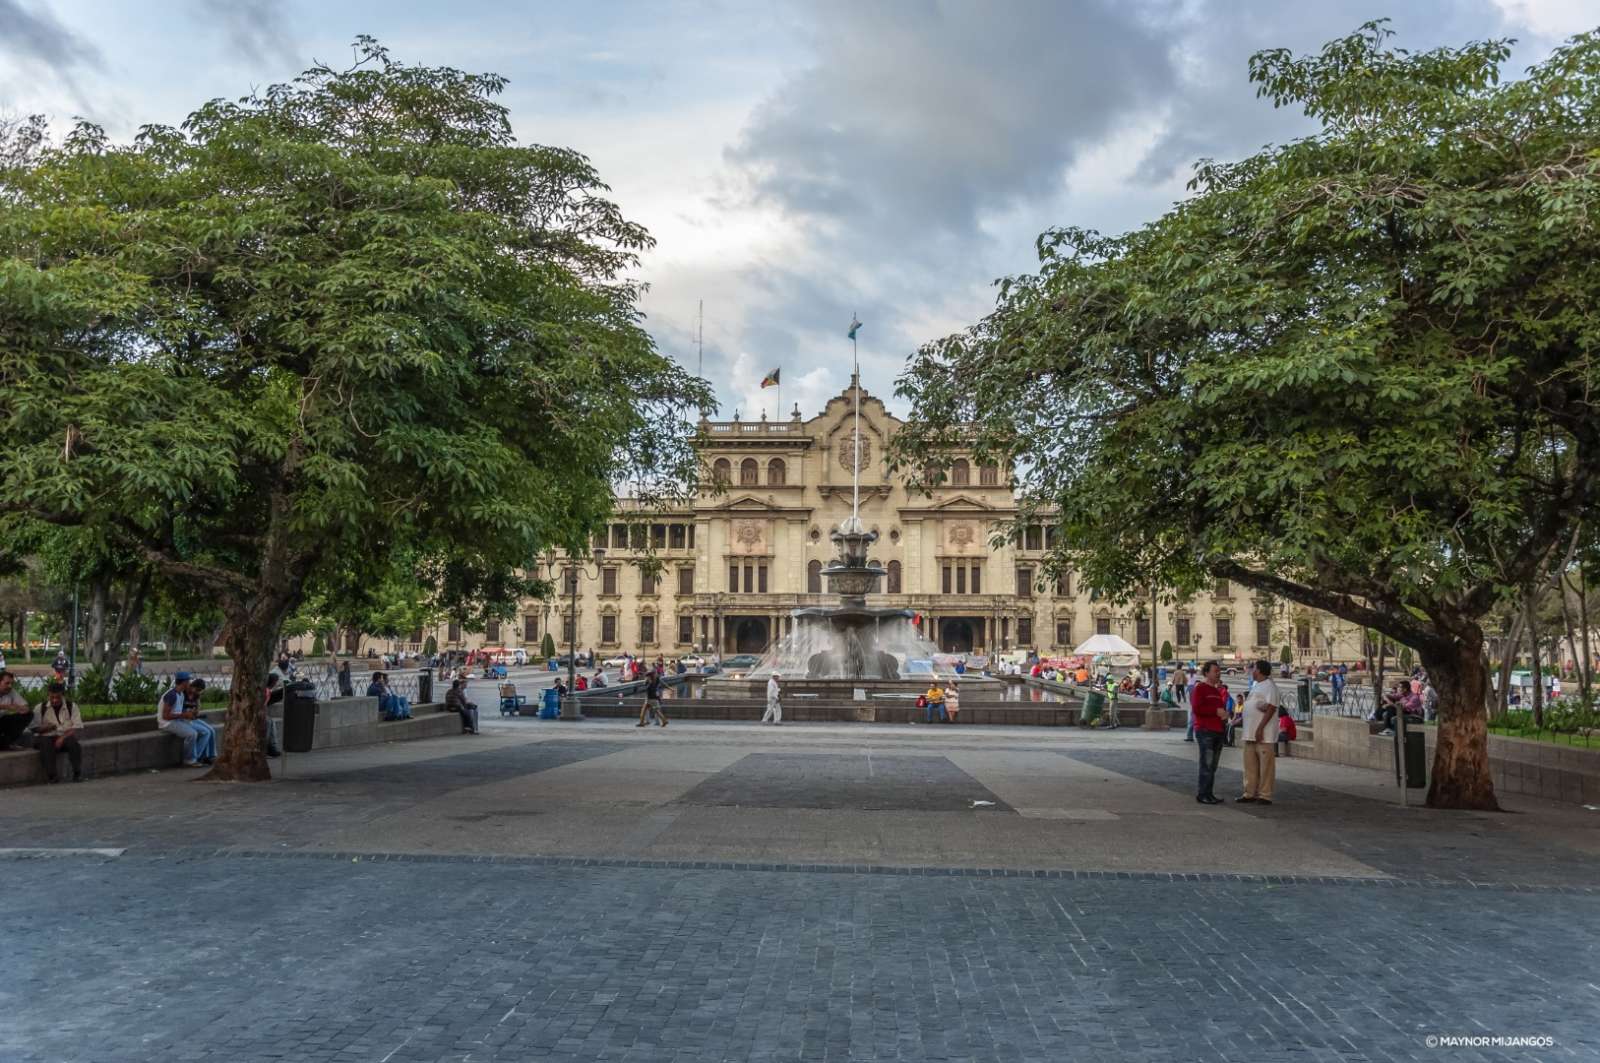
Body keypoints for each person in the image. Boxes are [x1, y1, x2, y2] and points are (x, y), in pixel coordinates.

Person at [1236, 660, 1279, 805]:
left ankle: (1265, 794)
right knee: (1250, 765)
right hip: (1250, 733)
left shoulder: (1270, 686)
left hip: (1263, 734)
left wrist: (1260, 728)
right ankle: (1249, 792)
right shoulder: (1256, 685)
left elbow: (1272, 707)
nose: (1251, 671)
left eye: (1253, 668)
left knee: (1265, 766)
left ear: (1259, 670)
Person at [1190, 661, 1227, 804]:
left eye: (1219, 671)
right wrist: (1215, 711)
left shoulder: (1217, 691)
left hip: (1218, 730)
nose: (1218, 673)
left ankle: (1209, 793)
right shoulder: (1200, 689)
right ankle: (1202, 794)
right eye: (1215, 671)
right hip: (1205, 730)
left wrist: (1224, 714)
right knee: (1207, 763)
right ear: (1207, 673)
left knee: (1213, 765)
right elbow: (1197, 709)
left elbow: (1219, 710)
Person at [33, 681, 84, 783]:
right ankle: (52, 776)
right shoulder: (40, 708)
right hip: (45, 737)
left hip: (63, 735)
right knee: (46, 744)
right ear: (48, 695)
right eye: (52, 697)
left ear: (63, 696)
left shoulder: (72, 707)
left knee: (73, 744)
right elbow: (34, 728)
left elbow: (76, 727)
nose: (55, 700)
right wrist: (47, 728)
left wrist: (62, 738)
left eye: (57, 697)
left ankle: (77, 773)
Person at [157, 673, 206, 767]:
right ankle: (189, 759)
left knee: (203, 731)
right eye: (188, 681)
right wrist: (184, 715)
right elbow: (165, 716)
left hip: (177, 721)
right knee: (192, 734)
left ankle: (197, 756)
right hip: (167, 723)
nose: (190, 683)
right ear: (184, 682)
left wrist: (189, 715)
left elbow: (178, 712)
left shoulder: (181, 694)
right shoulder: (171, 695)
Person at [184, 679, 219, 764]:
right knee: (206, 732)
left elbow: (198, 708)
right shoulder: (183, 694)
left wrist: (197, 709)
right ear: (192, 686)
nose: (198, 692)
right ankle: (198, 757)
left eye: (200, 691)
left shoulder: (196, 696)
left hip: (193, 718)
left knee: (211, 730)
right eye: (197, 690)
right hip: (184, 719)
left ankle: (211, 755)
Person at [0, 669, 32, 751]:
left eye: (11, 684)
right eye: (7, 683)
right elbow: (8, 707)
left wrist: (19, 708)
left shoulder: (11, 691)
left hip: (2, 721)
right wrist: (6, 706)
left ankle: (7, 743)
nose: (10, 686)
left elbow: (26, 708)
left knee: (28, 715)